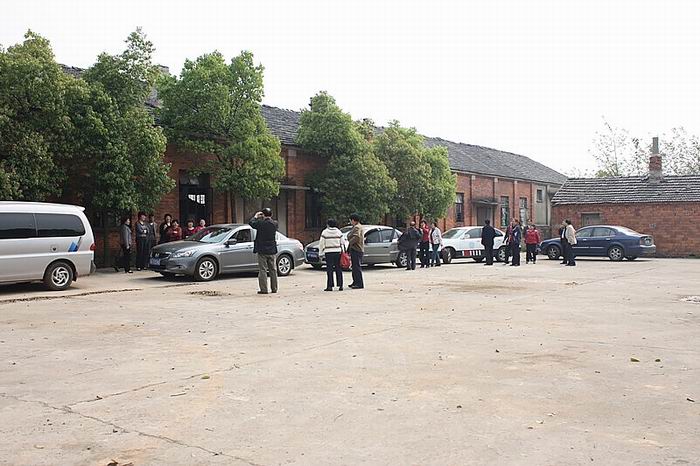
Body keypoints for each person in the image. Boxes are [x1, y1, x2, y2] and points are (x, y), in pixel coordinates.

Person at [250, 208, 279, 294]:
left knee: (263, 270)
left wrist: (255, 216)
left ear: (263, 215)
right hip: (272, 250)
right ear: (271, 215)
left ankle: (264, 289)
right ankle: (274, 288)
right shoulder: (275, 224)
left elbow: (251, 223)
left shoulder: (260, 223)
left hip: (262, 250)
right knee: (273, 270)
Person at [319, 218, 344, 291]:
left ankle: (330, 286)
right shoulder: (339, 232)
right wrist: (342, 250)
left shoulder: (325, 232)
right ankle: (340, 285)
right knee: (338, 268)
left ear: (328, 225)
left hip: (328, 252)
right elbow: (342, 242)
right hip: (337, 252)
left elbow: (321, 243)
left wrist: (320, 253)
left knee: (329, 269)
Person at [347, 213, 364, 289]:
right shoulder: (357, 227)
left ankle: (359, 283)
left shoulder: (357, 227)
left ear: (353, 220)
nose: (350, 222)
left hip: (356, 249)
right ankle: (355, 281)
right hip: (355, 249)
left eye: (350, 220)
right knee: (354, 267)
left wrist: (350, 242)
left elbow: (356, 237)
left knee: (356, 267)